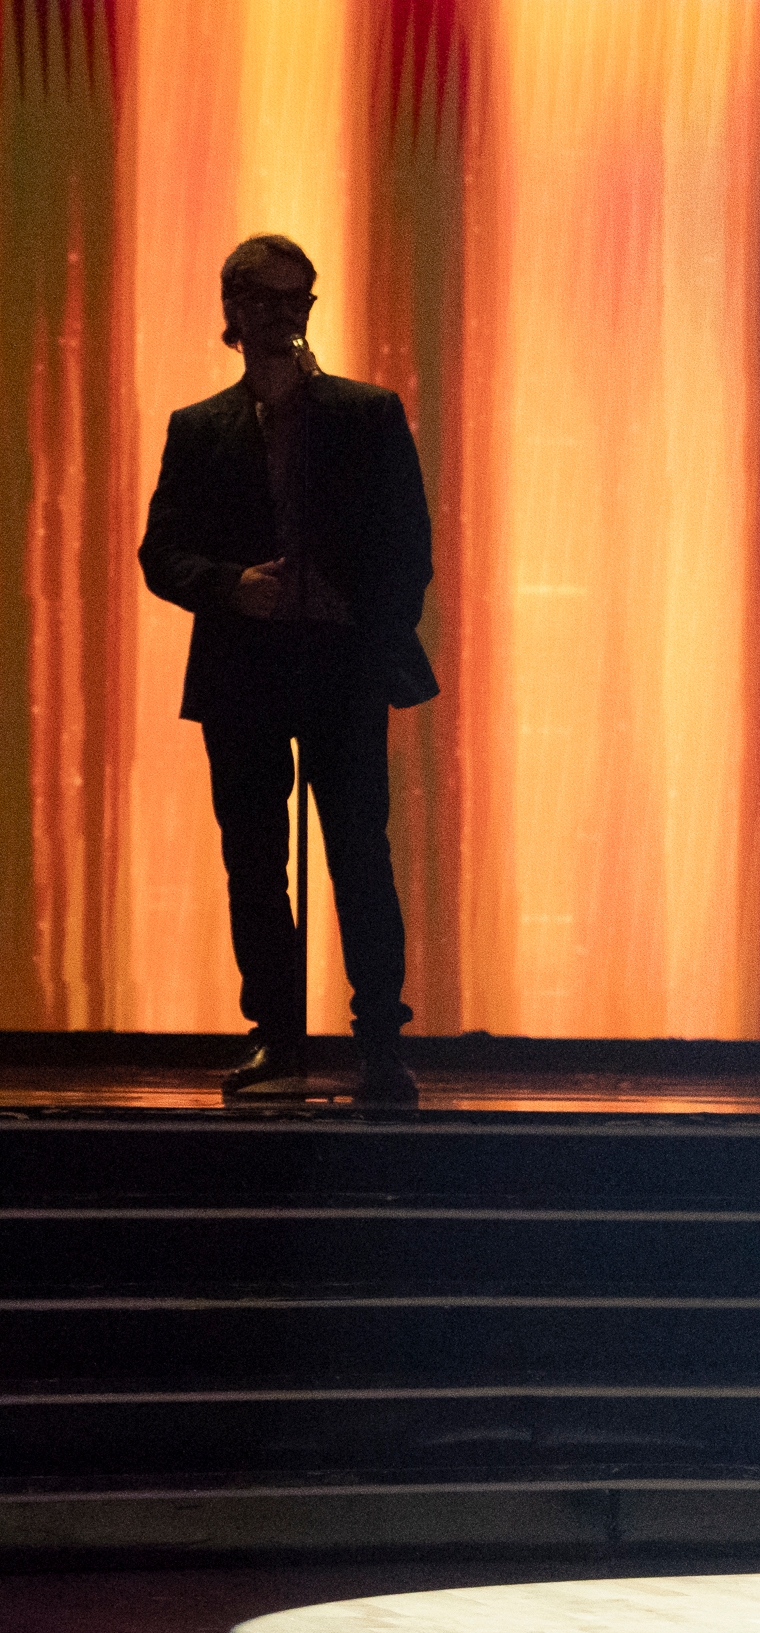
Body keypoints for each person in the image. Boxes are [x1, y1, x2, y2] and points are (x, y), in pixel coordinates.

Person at [137, 233, 435, 1105]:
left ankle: (380, 1038)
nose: (282, 313)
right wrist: (236, 588)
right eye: (264, 298)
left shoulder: (364, 413)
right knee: (255, 858)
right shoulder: (199, 429)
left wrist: (359, 615)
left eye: (297, 298)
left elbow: (407, 545)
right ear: (231, 308)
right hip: (244, 672)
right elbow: (161, 554)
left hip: (340, 669)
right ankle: (275, 1035)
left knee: (358, 852)